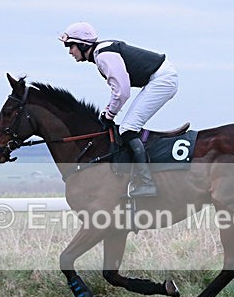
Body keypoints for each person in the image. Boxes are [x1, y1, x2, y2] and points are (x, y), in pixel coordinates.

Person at [58, 22, 178, 197]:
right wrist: (109, 113)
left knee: (128, 128)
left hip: (162, 80)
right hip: (159, 78)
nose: (70, 51)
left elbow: (122, 91)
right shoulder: (102, 52)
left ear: (83, 45)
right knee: (128, 127)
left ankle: (147, 183)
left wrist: (108, 114)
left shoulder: (103, 55)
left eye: (70, 46)